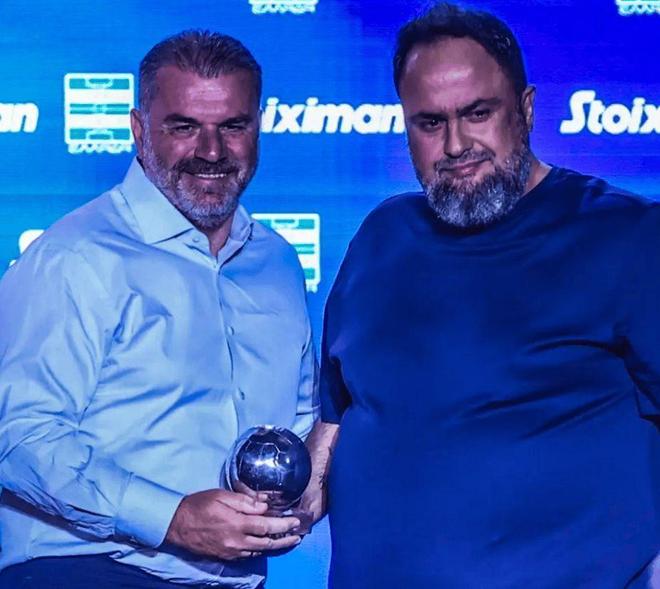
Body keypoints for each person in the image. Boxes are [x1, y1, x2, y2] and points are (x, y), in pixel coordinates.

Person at [302, 3, 660, 588]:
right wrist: (288, 503)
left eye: (477, 113)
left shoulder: (629, 235)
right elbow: (336, 418)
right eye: (430, 122)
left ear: (526, 109)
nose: (456, 144)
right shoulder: (382, 235)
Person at [0, 31, 318, 589]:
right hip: (87, 572)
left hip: (237, 579)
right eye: (184, 127)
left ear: (258, 128)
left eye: (233, 126)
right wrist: (172, 518)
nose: (212, 151)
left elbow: (300, 421)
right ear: (139, 128)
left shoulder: (277, 262)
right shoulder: (75, 256)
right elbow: (19, 437)